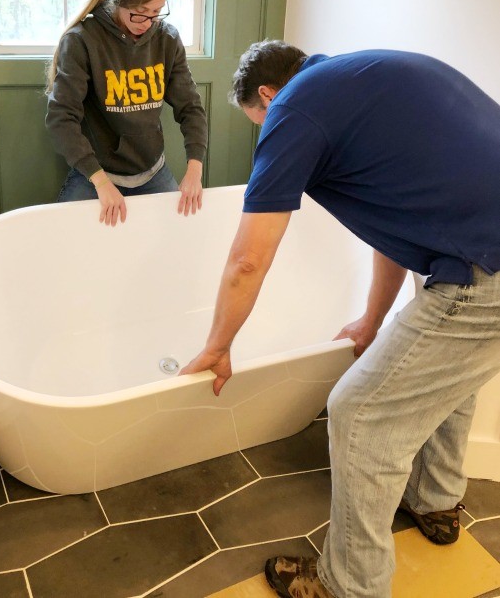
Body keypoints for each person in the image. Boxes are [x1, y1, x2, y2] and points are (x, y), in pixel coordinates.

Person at [180, 41, 500, 598]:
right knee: (448, 371)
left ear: (267, 95)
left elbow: (248, 258)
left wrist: (218, 345)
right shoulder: (364, 78)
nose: (266, 132)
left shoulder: (295, 108)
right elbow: (395, 221)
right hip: (481, 250)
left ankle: (350, 586)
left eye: (259, 122)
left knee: (359, 413)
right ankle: (437, 503)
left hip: (485, 268)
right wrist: (372, 320)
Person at [46, 0, 208, 225]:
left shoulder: (167, 39)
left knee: (177, 235)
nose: (147, 23)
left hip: (152, 171)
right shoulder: (82, 41)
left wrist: (195, 167)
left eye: (156, 12)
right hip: (97, 174)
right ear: (118, 2)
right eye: (139, 14)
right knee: (66, 236)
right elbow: (61, 119)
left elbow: (190, 107)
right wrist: (99, 181)